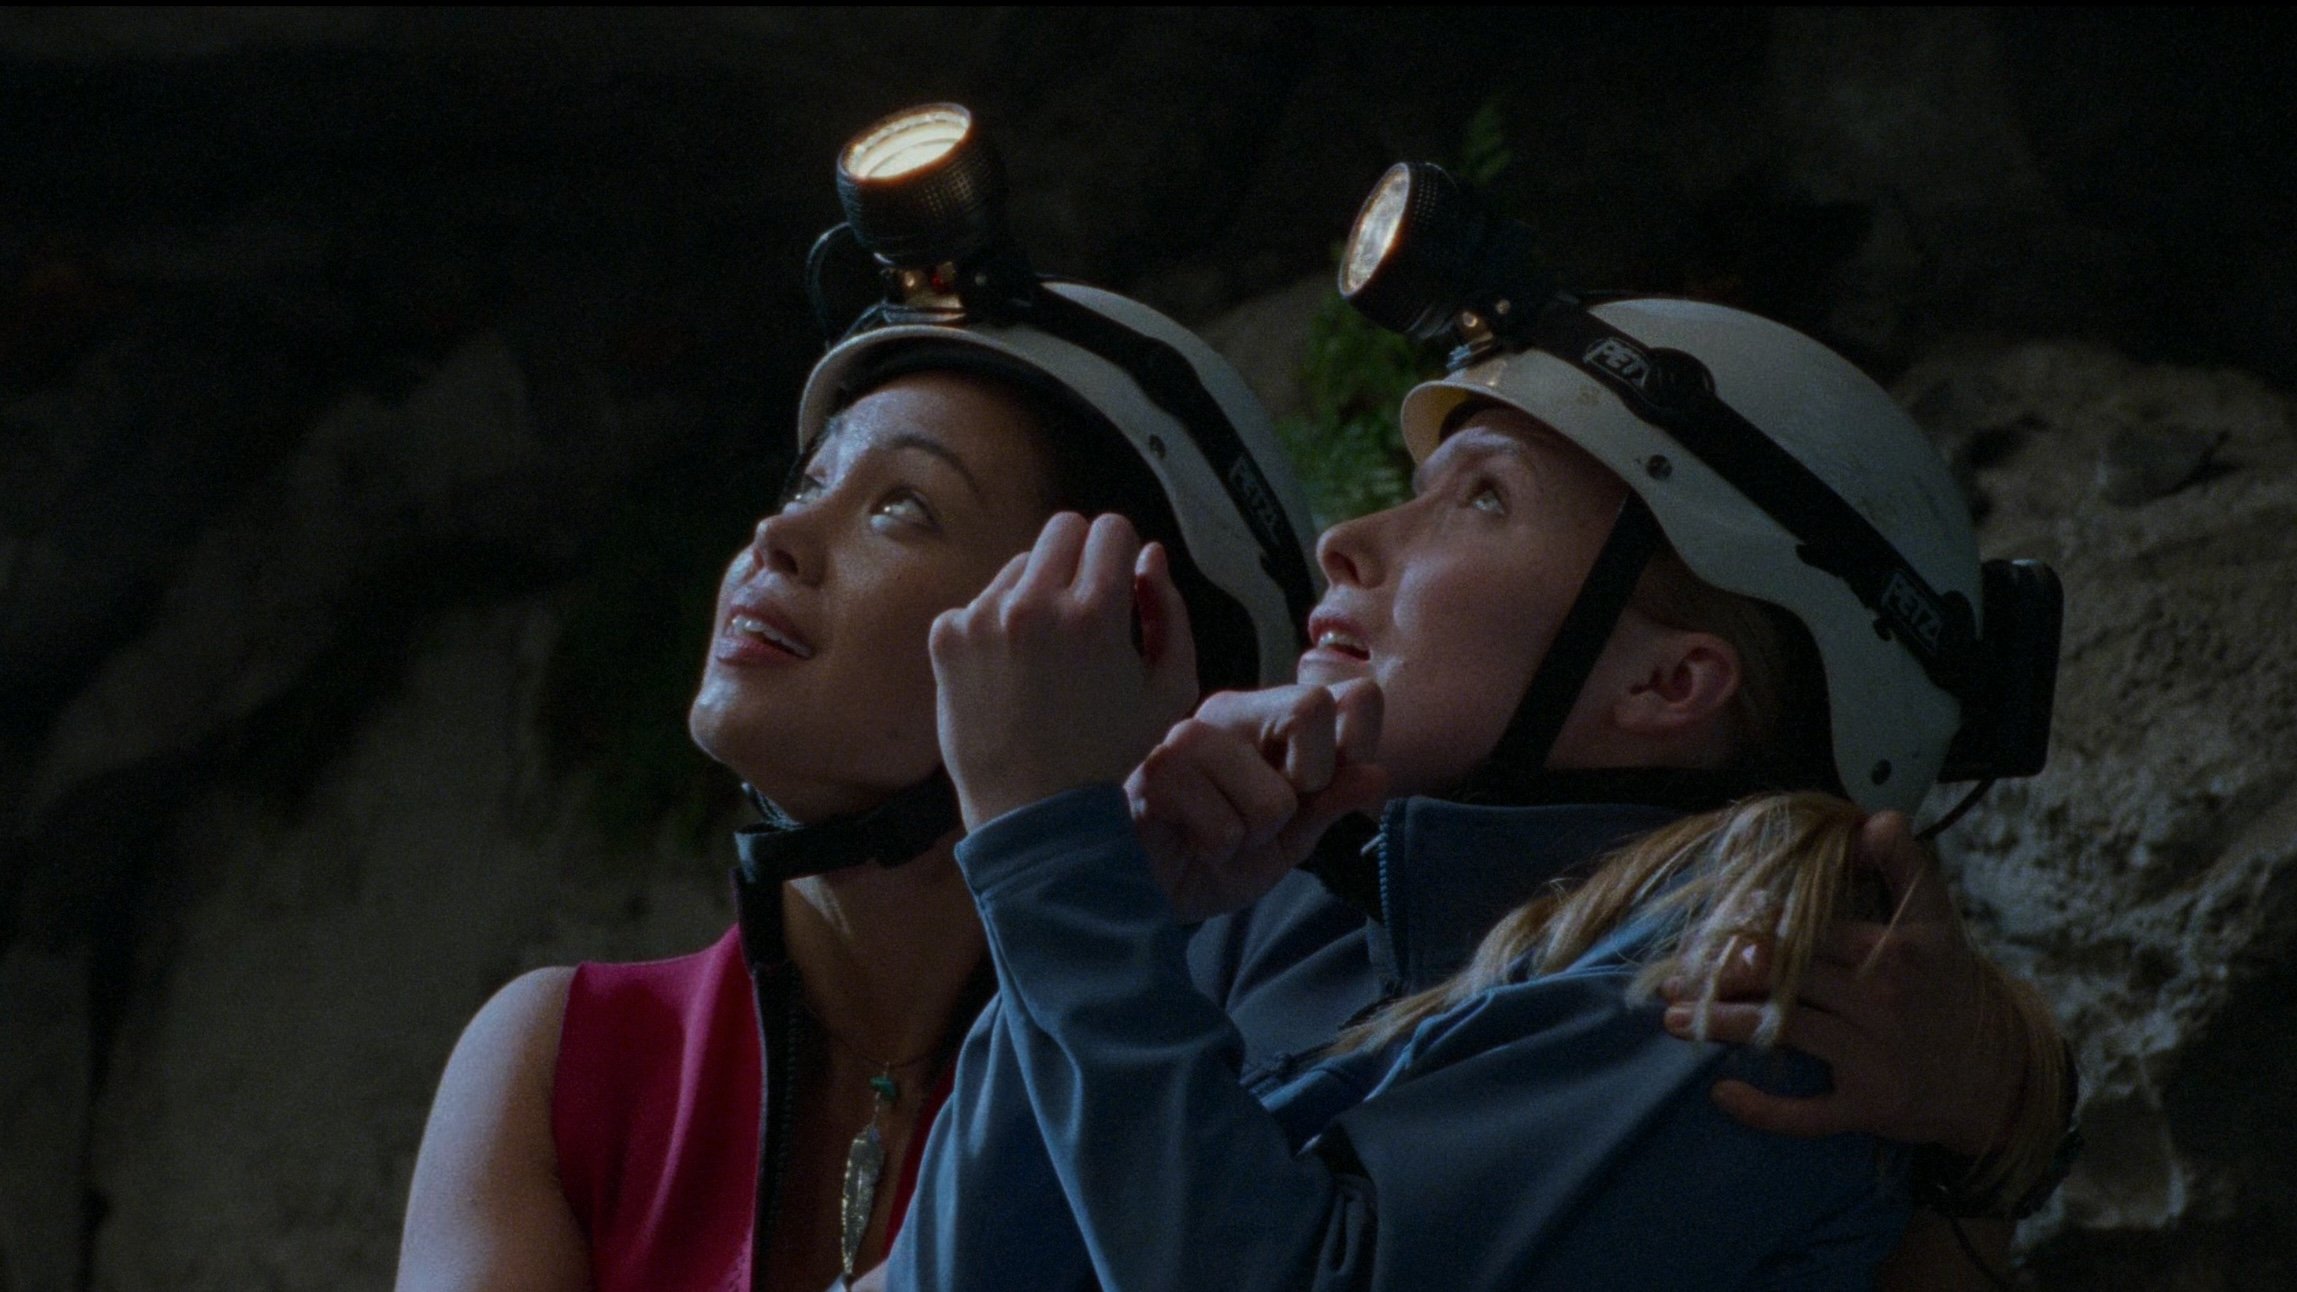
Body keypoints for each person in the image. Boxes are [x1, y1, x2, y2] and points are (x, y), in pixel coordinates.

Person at [895, 264, 2073, 1289]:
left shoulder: (1752, 986)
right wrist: (1118, 891)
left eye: (1482, 498)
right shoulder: (1280, 900)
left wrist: (1048, 845)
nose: (1346, 540)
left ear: (1669, 683)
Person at [394, 105, 1324, 1292]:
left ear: (1121, 638)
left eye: (900, 507)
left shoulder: (1204, 1070)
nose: (775, 535)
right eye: (808, 482)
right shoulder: (559, 1058)